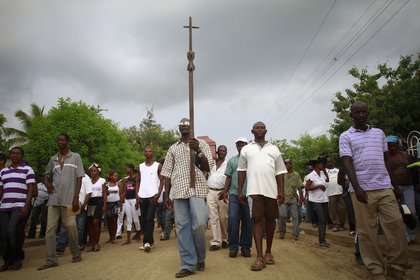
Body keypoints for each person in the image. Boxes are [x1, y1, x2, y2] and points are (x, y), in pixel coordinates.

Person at [339, 101, 408, 279]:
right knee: (367, 231)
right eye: (357, 112)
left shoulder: (379, 134)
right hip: (362, 191)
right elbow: (347, 162)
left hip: (384, 186)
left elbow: (386, 161)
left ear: (368, 113)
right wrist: (357, 186)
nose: (361, 115)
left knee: (396, 225)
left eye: (364, 112)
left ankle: (396, 266)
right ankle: (376, 268)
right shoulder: (346, 136)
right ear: (351, 115)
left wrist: (395, 185)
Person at [161, 118, 213, 278]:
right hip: (178, 190)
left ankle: (200, 257)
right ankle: (188, 264)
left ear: (191, 127)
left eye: (187, 125)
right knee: (182, 227)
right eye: (181, 125)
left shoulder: (201, 144)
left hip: (197, 187)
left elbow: (207, 167)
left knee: (198, 224)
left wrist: (198, 150)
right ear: (179, 129)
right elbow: (167, 173)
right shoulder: (173, 148)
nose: (184, 127)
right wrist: (166, 194)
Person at [237, 121, 286, 271]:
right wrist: (240, 191)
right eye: (257, 128)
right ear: (252, 131)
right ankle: (259, 256)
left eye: (262, 127)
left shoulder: (274, 148)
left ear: (266, 131)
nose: (260, 129)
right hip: (254, 190)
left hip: (271, 191)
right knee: (257, 221)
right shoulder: (246, 149)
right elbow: (241, 171)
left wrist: (281, 191)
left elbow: (279, 172)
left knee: (270, 221)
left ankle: (268, 252)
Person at [37, 133, 84, 270]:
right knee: (50, 229)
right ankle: (51, 259)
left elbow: (80, 178)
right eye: (58, 140)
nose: (60, 141)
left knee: (70, 226)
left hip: (70, 199)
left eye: (63, 139)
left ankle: (76, 253)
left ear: (68, 142)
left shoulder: (76, 157)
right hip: (53, 199)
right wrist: (47, 184)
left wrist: (76, 197)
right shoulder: (53, 159)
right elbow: (46, 176)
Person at [0, 147, 35, 271]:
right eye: (13, 153)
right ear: (10, 156)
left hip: (19, 205)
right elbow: (1, 189)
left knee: (12, 231)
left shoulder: (27, 170)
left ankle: (18, 258)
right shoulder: (4, 171)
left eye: (18, 153)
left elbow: (31, 188)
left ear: (22, 155)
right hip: (4, 206)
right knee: (3, 234)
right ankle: (7, 260)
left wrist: (26, 205)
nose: (15, 155)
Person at [219, 137, 252, 258]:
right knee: (233, 218)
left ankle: (245, 247)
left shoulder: (251, 160)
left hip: (249, 193)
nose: (241, 147)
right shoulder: (232, 161)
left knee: (248, 221)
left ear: (246, 145)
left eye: (243, 144)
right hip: (233, 193)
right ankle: (233, 247)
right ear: (236, 146)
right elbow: (228, 177)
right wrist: (224, 191)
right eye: (238, 145)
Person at [386, 135, 417, 244]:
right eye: (389, 146)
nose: (392, 148)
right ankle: (405, 237)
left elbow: (413, 169)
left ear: (397, 145)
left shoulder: (404, 155)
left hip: (408, 186)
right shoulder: (386, 158)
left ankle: (411, 234)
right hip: (395, 188)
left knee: (411, 211)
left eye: (394, 145)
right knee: (400, 213)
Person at [56, 173, 92, 253]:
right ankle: (61, 246)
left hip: (81, 205)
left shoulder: (86, 178)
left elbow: (89, 193)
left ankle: (77, 246)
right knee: (66, 225)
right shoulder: (69, 175)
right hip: (70, 204)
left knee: (79, 227)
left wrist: (83, 205)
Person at [136, 147, 163, 252]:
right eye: (146, 151)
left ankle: (146, 242)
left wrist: (158, 194)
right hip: (142, 196)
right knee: (143, 219)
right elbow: (137, 181)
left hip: (153, 196)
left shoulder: (158, 166)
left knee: (149, 218)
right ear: (144, 153)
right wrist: (137, 195)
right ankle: (150, 242)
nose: (148, 153)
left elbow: (162, 181)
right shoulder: (140, 166)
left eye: (150, 151)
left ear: (153, 153)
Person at [207, 145, 228, 251]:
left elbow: (230, 177)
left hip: (222, 192)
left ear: (226, 152)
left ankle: (224, 239)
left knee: (223, 217)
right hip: (210, 191)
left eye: (224, 151)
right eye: (220, 151)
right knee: (213, 217)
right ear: (217, 152)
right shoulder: (211, 163)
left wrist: (225, 191)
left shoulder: (227, 164)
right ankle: (216, 241)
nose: (221, 152)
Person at [305, 157, 330, 248]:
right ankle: (322, 240)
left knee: (324, 220)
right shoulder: (311, 176)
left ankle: (322, 239)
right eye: (321, 164)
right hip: (316, 200)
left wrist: (325, 172)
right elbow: (307, 188)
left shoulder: (322, 174)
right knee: (322, 220)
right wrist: (318, 186)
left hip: (324, 199)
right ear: (317, 165)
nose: (323, 165)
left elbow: (327, 180)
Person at [278, 159, 303, 241]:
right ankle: (282, 230)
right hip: (283, 198)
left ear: (291, 164)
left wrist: (301, 198)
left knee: (295, 217)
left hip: (293, 198)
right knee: (282, 215)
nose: (286, 166)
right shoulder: (281, 174)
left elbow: (299, 187)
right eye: (285, 164)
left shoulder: (296, 175)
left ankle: (295, 234)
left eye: (288, 164)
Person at [86, 163, 106, 252]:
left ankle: (96, 243)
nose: (93, 172)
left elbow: (104, 193)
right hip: (90, 201)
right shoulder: (88, 181)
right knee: (90, 223)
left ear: (98, 171)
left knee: (96, 222)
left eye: (95, 171)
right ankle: (92, 242)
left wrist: (104, 205)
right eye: (91, 171)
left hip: (99, 201)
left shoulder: (102, 180)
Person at [120, 164, 141, 245]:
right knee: (129, 219)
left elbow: (138, 189)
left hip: (134, 200)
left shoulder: (136, 178)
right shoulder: (127, 179)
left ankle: (138, 234)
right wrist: (121, 203)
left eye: (127, 168)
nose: (125, 170)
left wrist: (137, 200)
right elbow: (124, 191)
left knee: (135, 219)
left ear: (131, 169)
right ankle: (128, 239)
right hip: (127, 200)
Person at [325, 157, 347, 232]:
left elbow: (342, 180)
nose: (329, 163)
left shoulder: (337, 170)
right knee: (332, 210)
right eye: (328, 162)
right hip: (330, 193)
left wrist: (343, 189)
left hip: (339, 192)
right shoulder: (324, 171)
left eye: (330, 161)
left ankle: (341, 224)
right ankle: (336, 224)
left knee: (343, 208)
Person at [27, 174, 49, 239]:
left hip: (45, 202)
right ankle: (31, 234)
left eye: (43, 177)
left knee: (44, 218)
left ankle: (42, 234)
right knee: (33, 217)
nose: (42, 178)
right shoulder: (38, 185)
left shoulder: (49, 185)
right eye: (41, 177)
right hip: (37, 202)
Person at [105, 170, 122, 244]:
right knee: (109, 221)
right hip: (108, 203)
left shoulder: (118, 184)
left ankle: (113, 237)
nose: (116, 177)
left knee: (114, 219)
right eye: (115, 176)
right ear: (110, 176)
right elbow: (104, 194)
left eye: (117, 176)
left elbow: (121, 194)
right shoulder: (106, 184)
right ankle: (110, 236)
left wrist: (121, 204)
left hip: (116, 203)